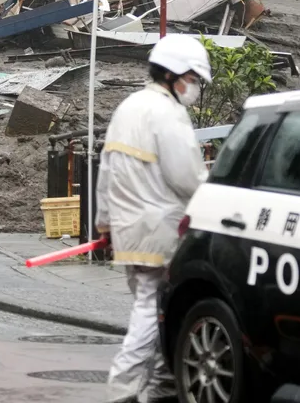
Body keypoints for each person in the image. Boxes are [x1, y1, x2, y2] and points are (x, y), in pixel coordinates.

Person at [95, 34, 212, 403]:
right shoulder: (168, 113)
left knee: (162, 310)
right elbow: (187, 177)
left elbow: (106, 171)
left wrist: (104, 224)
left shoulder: (129, 107)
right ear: (174, 75)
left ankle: (165, 384)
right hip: (161, 232)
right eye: (192, 80)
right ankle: (123, 389)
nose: (192, 88)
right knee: (151, 310)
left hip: (130, 232)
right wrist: (215, 198)